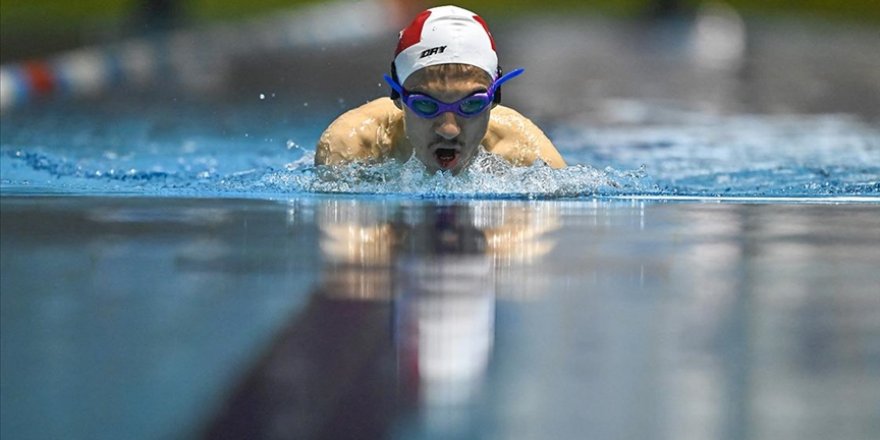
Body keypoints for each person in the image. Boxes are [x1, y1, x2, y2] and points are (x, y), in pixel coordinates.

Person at [315, 5, 566, 175]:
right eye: (426, 104)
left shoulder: (528, 155)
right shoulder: (352, 146)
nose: (448, 130)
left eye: (471, 104)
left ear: (495, 97)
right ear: (397, 95)